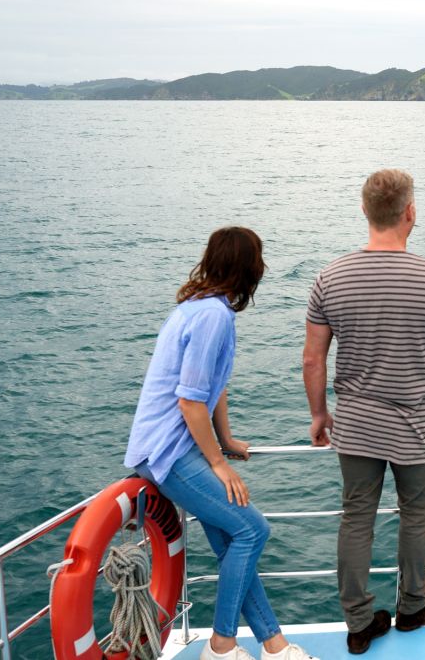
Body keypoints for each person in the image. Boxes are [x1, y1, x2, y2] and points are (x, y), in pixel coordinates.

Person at [125, 227, 318, 660]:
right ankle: (221, 645)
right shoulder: (213, 315)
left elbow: (213, 387)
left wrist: (226, 438)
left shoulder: (199, 307)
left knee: (234, 540)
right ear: (249, 268)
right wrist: (218, 461)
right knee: (252, 529)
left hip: (173, 446)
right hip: (169, 452)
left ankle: (274, 645)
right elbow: (190, 400)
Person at [302, 169, 425, 655]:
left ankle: (358, 622)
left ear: (364, 211)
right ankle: (413, 606)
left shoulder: (328, 278)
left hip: (354, 426)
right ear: (410, 213)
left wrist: (319, 415)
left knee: (356, 519)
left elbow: (313, 358)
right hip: (419, 425)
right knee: (416, 518)